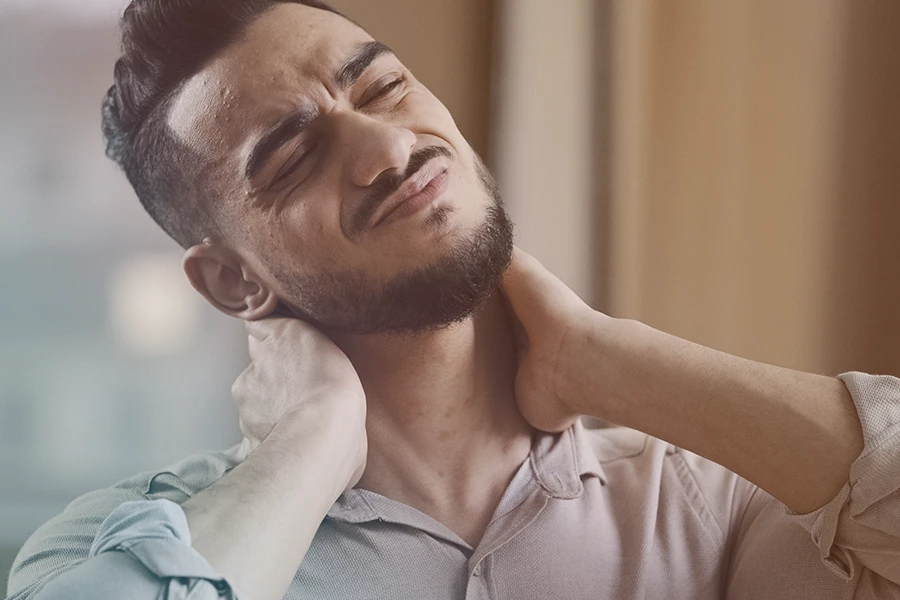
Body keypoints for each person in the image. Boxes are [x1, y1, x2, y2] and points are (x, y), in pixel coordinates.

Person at [7, 1, 900, 599]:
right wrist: (311, 446)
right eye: (291, 158)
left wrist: (607, 359)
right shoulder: (112, 551)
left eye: (384, 86)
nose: (390, 150)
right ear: (235, 281)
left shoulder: (713, 500)